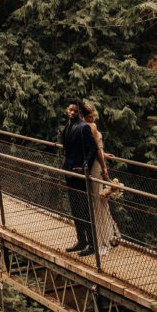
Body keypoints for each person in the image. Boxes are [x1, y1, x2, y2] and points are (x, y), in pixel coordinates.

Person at [80, 100, 121, 254]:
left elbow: (97, 149)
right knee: (99, 202)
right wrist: (104, 168)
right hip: (97, 166)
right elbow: (96, 150)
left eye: (93, 116)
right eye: (90, 116)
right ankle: (104, 239)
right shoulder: (92, 127)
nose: (93, 119)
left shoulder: (84, 126)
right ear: (84, 116)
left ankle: (106, 237)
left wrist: (105, 154)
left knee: (99, 201)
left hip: (95, 163)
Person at [61, 100, 97, 256]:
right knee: (75, 208)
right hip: (69, 171)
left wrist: (84, 167)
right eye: (70, 110)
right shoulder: (67, 126)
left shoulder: (83, 127)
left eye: (75, 111)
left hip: (79, 172)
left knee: (84, 208)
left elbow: (93, 149)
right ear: (66, 110)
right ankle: (81, 240)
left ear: (79, 113)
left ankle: (92, 244)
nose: (72, 113)